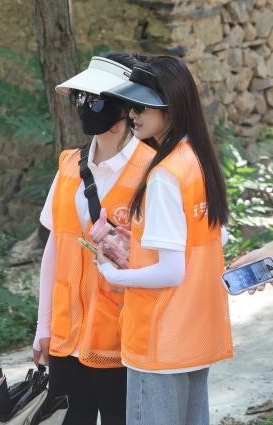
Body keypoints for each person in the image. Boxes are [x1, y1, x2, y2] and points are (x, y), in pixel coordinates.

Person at [98, 56, 233, 425]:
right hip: (195, 335)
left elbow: (172, 271)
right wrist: (141, 241)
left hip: (159, 337)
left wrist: (114, 275)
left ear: (171, 107)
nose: (132, 115)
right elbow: (206, 240)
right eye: (131, 107)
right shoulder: (197, 160)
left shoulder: (164, 174)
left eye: (142, 107)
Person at [32, 53, 156, 425]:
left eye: (97, 100)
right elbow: (55, 245)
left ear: (127, 108)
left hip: (124, 339)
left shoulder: (153, 170)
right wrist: (43, 327)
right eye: (82, 99)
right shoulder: (70, 165)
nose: (87, 107)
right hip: (67, 336)